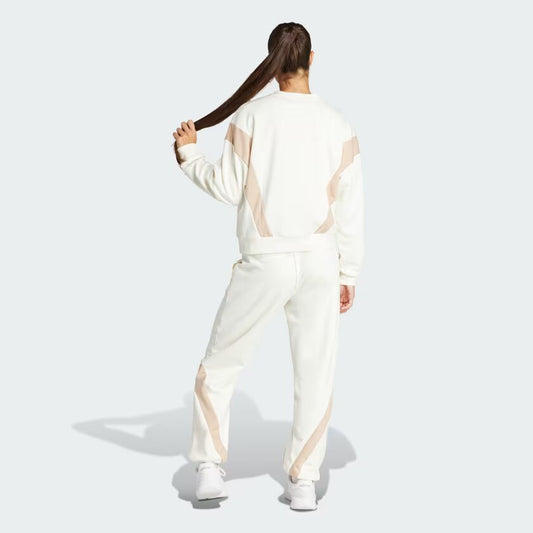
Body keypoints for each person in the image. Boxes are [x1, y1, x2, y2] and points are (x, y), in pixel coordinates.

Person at [172, 22, 364, 511]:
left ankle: (210, 469)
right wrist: (348, 274)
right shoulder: (339, 123)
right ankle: (304, 482)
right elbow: (351, 207)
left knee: (221, 363)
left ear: (272, 61)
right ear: (312, 59)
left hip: (265, 260)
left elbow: (226, 188)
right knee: (315, 373)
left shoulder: (251, 117)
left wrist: (189, 153)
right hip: (320, 262)